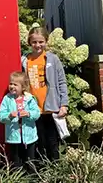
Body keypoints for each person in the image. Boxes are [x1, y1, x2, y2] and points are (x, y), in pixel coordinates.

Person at [22, 26, 69, 161]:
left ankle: (55, 172)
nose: (38, 45)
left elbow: (62, 82)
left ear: (46, 41)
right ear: (29, 43)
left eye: (41, 42)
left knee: (52, 143)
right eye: (34, 42)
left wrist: (64, 104)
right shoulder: (25, 60)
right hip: (33, 109)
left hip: (50, 108)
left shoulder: (53, 59)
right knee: (37, 144)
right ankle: (40, 172)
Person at [0, 71, 40, 171]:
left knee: (30, 161)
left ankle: (31, 178)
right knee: (16, 162)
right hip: (14, 137)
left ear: (23, 87)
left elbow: (37, 113)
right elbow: (1, 116)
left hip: (29, 137)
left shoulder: (29, 99)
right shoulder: (7, 99)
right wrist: (9, 116)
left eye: (15, 84)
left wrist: (29, 114)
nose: (12, 86)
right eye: (10, 83)